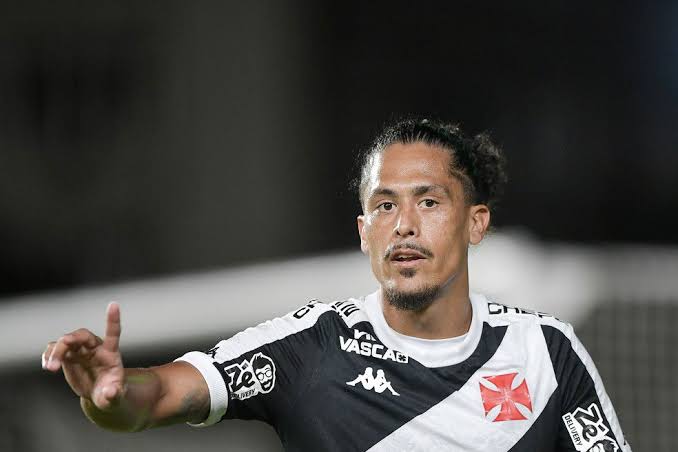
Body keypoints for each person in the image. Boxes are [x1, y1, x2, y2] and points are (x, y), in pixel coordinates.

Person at [43, 118, 631, 451]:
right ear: (363, 232)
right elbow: (158, 397)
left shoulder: (544, 352)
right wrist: (112, 395)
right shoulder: (310, 348)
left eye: (429, 202)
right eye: (384, 206)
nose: (404, 225)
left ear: (476, 223)